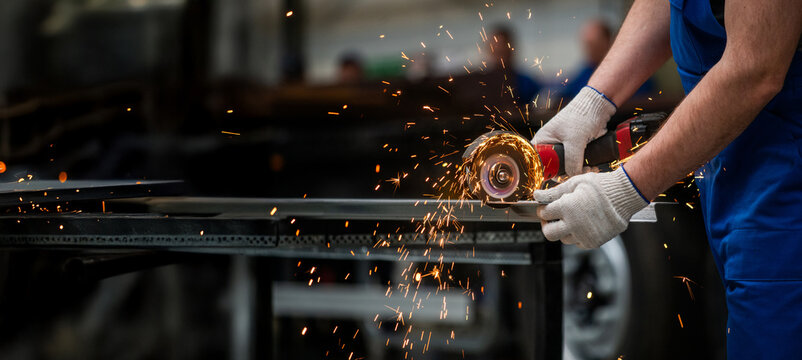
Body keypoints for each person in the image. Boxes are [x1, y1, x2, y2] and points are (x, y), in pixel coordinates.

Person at [530, 0, 802, 358]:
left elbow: (755, 68)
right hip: (735, 184)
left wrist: (624, 189)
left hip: (787, 197)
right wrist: (592, 102)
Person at [558, 19, 654, 101]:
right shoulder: (585, 72)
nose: (589, 50)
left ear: (607, 41)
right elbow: (565, 96)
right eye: (587, 45)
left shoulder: (629, 70)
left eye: (593, 44)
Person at [488, 27, 541, 104]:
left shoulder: (526, 83)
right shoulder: (481, 83)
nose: (500, 55)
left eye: (502, 51)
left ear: (511, 50)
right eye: (497, 51)